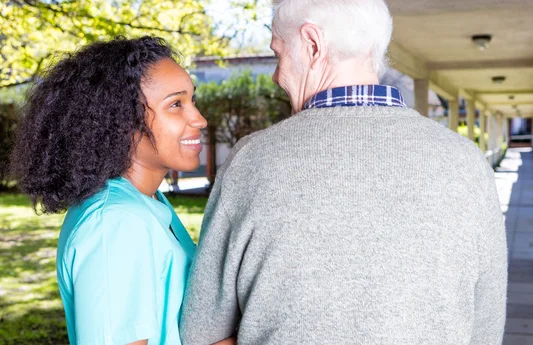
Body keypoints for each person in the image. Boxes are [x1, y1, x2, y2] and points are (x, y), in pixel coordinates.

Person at [180, 0, 507, 344]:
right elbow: (485, 328)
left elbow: (200, 333)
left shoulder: (250, 162)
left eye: (278, 54)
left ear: (312, 44)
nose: (277, 76)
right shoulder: (468, 163)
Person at [10, 36, 233, 345]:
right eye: (176, 104)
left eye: (192, 100)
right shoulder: (114, 222)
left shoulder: (146, 203)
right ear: (122, 121)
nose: (199, 119)